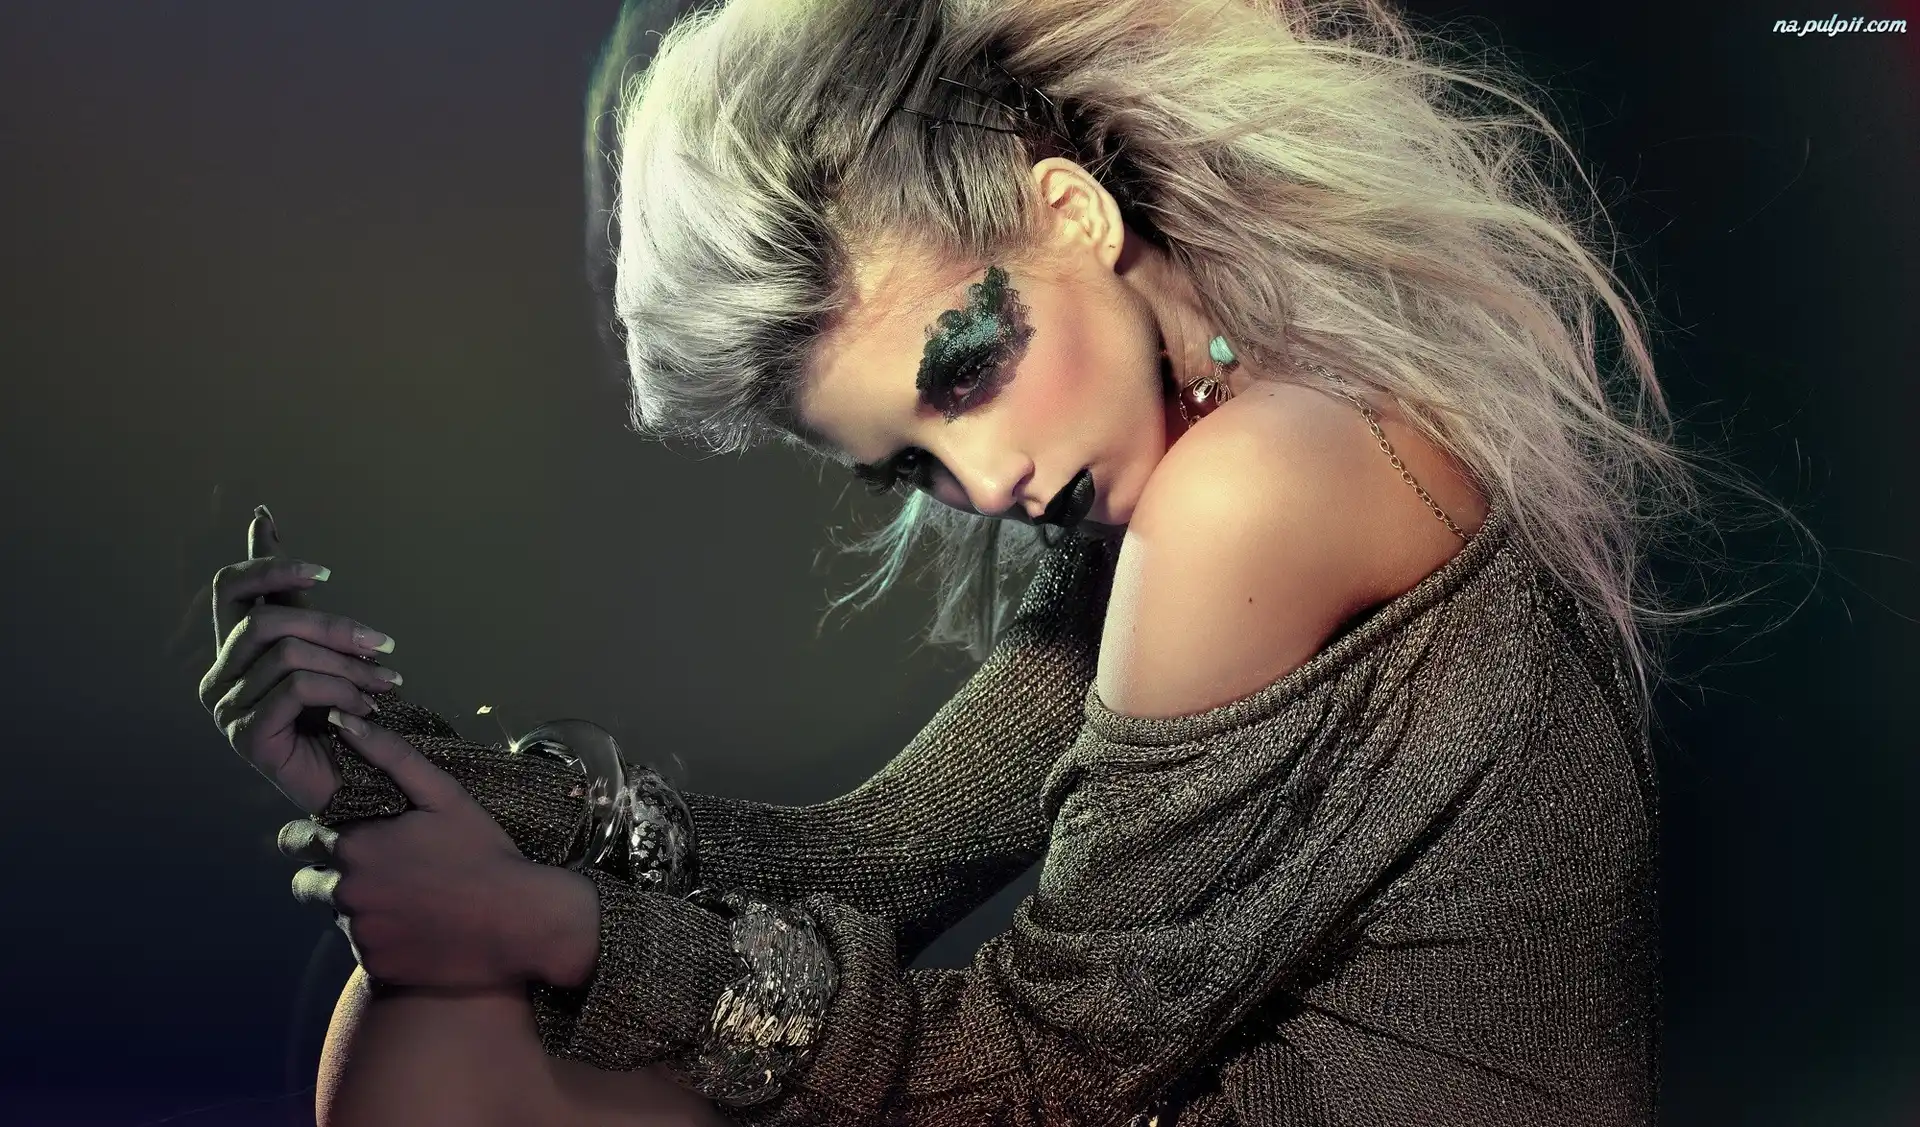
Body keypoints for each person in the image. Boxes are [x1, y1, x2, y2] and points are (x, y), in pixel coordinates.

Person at [197, 0, 1692, 1122]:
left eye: (965, 372)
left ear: (1070, 212)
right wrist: (388, 770)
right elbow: (886, 853)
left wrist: (558, 926)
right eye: (910, 463)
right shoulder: (1232, 437)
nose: (985, 486)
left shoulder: (1254, 489)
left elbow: (1051, 1073)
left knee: (452, 1026)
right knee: (444, 1009)